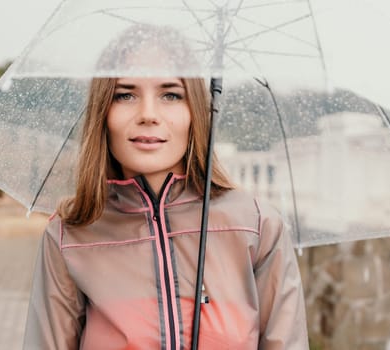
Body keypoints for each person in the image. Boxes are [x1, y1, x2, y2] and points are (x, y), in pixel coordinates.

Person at [23, 24, 309, 349]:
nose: (148, 114)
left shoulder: (257, 226)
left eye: (170, 94)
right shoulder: (68, 237)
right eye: (125, 94)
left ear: (196, 112)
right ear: (103, 112)